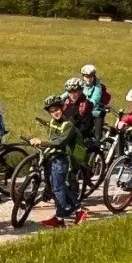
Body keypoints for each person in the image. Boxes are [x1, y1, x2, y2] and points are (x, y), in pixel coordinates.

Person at [34, 95, 89, 228]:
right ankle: (61, 218)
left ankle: (77, 211)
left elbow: (60, 142)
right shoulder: (53, 122)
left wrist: (42, 142)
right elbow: (53, 140)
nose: (55, 113)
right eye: (52, 111)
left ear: (62, 108)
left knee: (58, 188)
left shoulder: (68, 125)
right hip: (57, 155)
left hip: (67, 158)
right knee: (57, 187)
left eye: (57, 110)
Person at [79, 64, 110, 141]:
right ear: (83, 76)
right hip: (83, 112)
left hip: (96, 112)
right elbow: (70, 92)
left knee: (97, 137)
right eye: (86, 76)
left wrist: (87, 106)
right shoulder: (80, 85)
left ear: (94, 76)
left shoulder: (97, 87)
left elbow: (95, 99)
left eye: (91, 77)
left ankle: (98, 146)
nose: (88, 79)